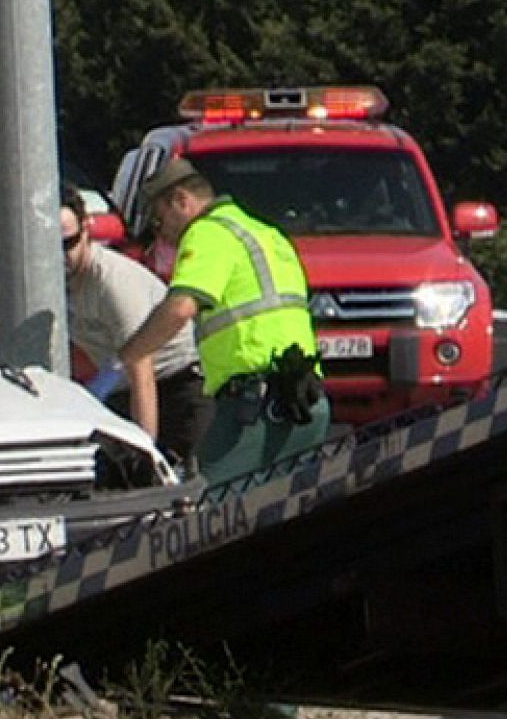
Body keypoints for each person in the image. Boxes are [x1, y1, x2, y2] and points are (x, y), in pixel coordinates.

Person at [119, 157, 330, 485]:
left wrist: (132, 352)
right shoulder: (266, 234)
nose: (162, 235)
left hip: (255, 406)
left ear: (181, 201)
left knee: (211, 512)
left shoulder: (207, 232)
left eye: (160, 221)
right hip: (306, 399)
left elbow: (180, 307)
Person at [60, 184, 213, 465]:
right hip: (126, 390)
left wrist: (146, 454)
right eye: (48, 246)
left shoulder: (110, 281)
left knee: (166, 487)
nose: (60, 256)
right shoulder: (47, 283)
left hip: (178, 387)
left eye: (68, 243)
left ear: (87, 229)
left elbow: (140, 363)